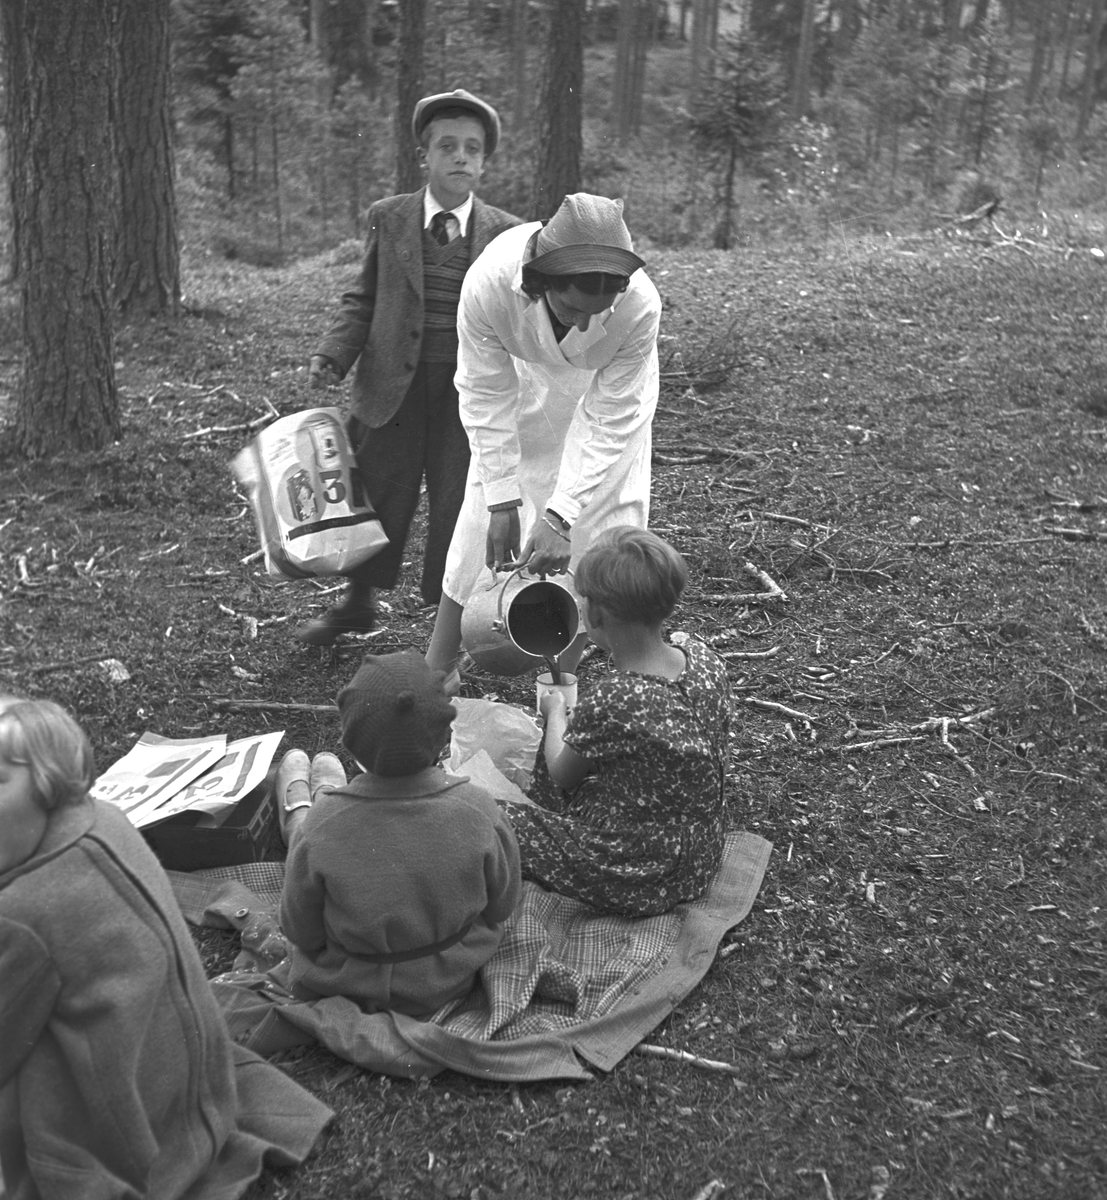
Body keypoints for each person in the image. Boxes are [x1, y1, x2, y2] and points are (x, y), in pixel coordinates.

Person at [0, 696, 332, 1200]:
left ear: (47, 782)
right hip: (194, 1082)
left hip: (130, 1133)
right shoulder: (106, 819)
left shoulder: (23, 913)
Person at [299, 89, 522, 645]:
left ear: (485, 161)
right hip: (391, 386)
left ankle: (448, 618)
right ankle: (358, 602)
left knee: (458, 499)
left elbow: (515, 315)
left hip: (466, 392)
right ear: (424, 155)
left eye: (472, 148)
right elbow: (363, 296)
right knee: (377, 491)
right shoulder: (390, 217)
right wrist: (334, 352)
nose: (460, 157)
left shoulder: (505, 232)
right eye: (447, 146)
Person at [423, 192, 662, 691]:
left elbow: (611, 415)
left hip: (606, 406)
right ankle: (437, 670)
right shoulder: (490, 281)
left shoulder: (640, 304)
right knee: (481, 524)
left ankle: (560, 688)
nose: (584, 323)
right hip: (527, 385)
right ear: (540, 281)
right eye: (572, 306)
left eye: (599, 312)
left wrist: (561, 515)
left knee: (594, 532)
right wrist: (501, 496)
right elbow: (484, 390)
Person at [275, 652, 522, 1017]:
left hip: (349, 981)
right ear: (443, 737)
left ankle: (304, 808)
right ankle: (317, 797)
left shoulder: (320, 828)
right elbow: (503, 905)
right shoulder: (480, 809)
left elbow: (300, 931)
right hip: (452, 975)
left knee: (309, 827)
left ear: (352, 742)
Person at [501, 527, 731, 917]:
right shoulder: (704, 659)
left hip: (637, 873)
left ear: (594, 613)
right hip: (700, 853)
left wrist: (556, 713)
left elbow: (561, 774)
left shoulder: (616, 697)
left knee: (492, 818)